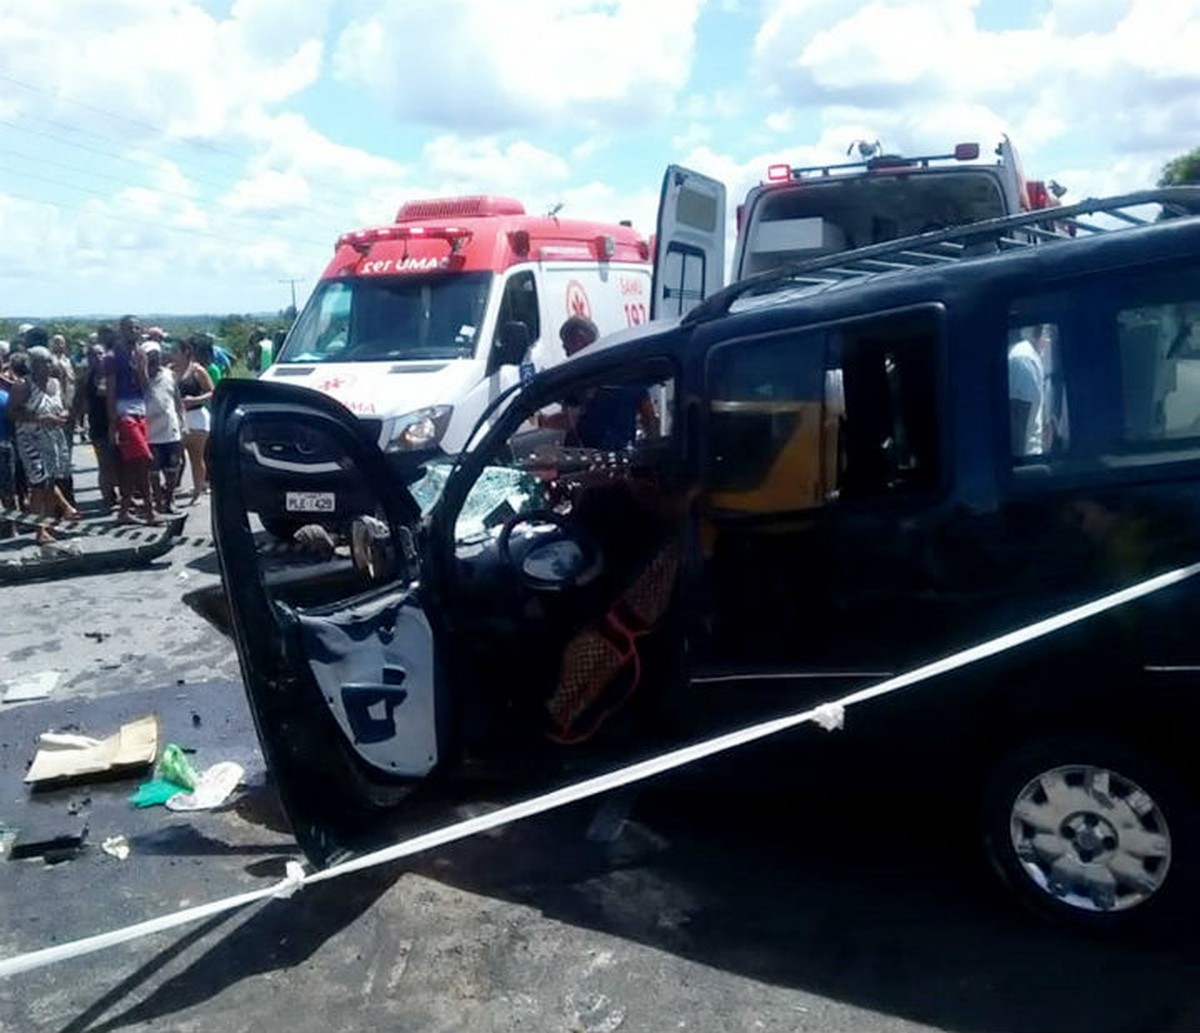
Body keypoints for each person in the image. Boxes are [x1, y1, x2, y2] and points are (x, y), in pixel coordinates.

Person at [551, 316, 658, 449]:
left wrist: (540, 421)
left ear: (579, 339)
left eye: (567, 346)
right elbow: (649, 415)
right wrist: (652, 448)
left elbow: (570, 420)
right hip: (622, 458)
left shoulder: (580, 377)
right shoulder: (627, 369)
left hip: (588, 461)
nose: (567, 354)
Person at [10, 342, 79, 543]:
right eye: (43, 362)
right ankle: (38, 529)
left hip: (53, 439)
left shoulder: (55, 384)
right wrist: (40, 419)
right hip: (30, 439)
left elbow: (60, 406)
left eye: (50, 361)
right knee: (39, 483)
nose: (49, 365)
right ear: (33, 364)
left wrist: (63, 415)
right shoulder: (23, 385)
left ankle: (49, 526)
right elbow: (12, 413)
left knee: (51, 483)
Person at [105, 315, 156, 525]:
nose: (133, 331)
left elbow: (145, 386)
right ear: (121, 330)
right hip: (123, 412)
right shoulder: (112, 356)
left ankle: (125, 509)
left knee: (131, 464)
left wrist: (140, 369)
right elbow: (110, 390)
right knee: (144, 459)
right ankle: (150, 509)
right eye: (129, 328)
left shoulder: (141, 352)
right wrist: (112, 424)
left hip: (140, 410)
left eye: (136, 328)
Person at [72, 336, 118, 510]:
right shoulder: (85, 379)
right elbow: (78, 402)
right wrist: (74, 421)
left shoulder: (114, 375)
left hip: (117, 423)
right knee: (104, 463)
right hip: (98, 426)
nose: (97, 357)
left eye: (100, 353)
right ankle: (108, 496)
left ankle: (121, 493)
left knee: (119, 462)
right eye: (92, 354)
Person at [142, 341, 186, 514]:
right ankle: (158, 501)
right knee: (153, 469)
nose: (154, 359)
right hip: (149, 430)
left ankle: (169, 499)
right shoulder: (139, 377)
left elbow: (177, 399)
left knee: (173, 468)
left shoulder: (169, 375)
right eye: (150, 356)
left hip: (170, 428)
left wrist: (183, 421)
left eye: (156, 355)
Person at [174, 336, 215, 501]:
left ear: (186, 352)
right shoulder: (169, 370)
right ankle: (171, 490)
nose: (172, 354)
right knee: (174, 458)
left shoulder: (198, 370)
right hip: (177, 418)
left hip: (196, 417)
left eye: (175, 351)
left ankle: (198, 490)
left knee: (196, 458)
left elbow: (212, 392)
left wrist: (195, 400)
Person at [1008, 328, 1046, 458]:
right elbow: (1020, 418)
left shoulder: (1025, 358)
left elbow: (1022, 420)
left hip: (1029, 459)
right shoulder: (1023, 358)